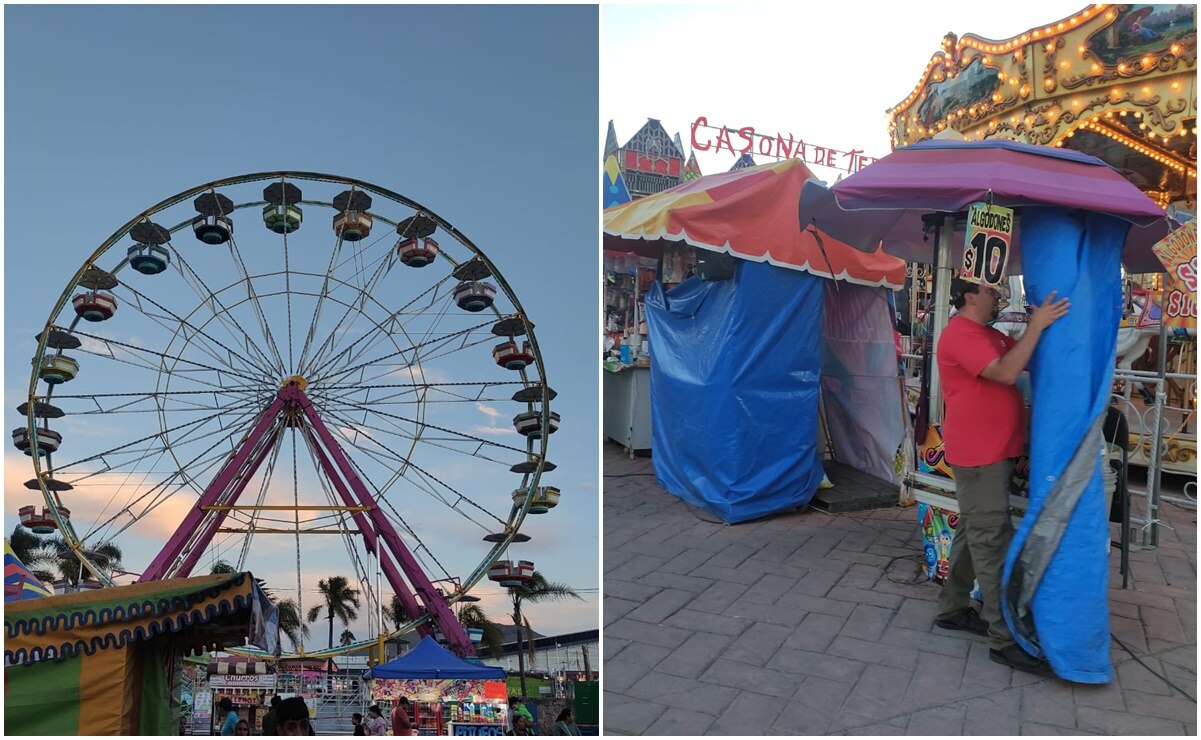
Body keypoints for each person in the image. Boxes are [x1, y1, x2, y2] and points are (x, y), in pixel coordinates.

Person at [933, 278, 1069, 676]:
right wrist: (1037, 325)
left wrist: (1038, 329)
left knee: (975, 531)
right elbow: (1007, 374)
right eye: (992, 291)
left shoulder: (988, 334)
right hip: (979, 455)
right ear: (969, 295)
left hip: (993, 452)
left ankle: (953, 608)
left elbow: (1025, 359)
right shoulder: (960, 334)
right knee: (991, 540)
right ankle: (1004, 638)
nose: (999, 296)